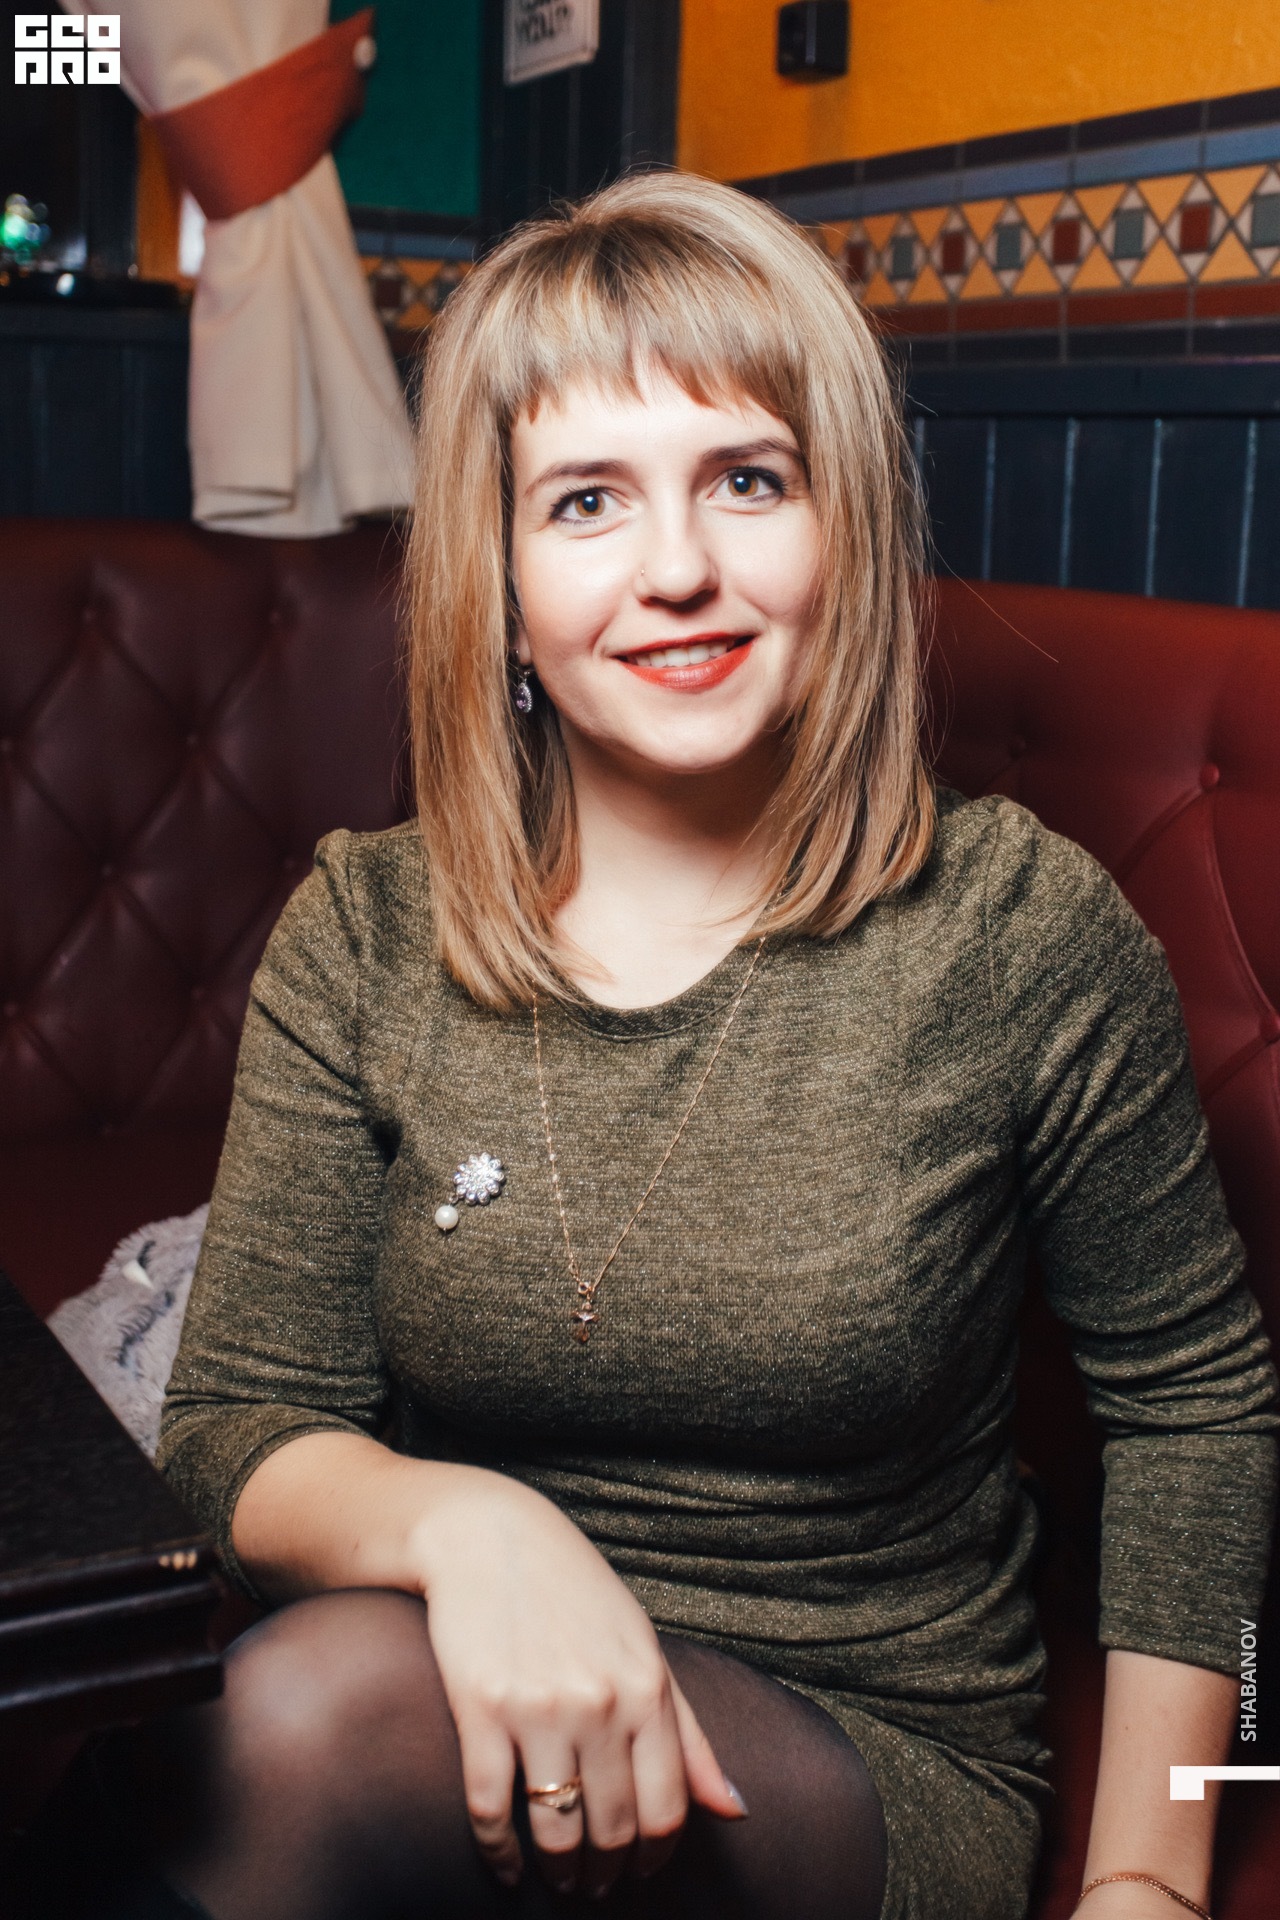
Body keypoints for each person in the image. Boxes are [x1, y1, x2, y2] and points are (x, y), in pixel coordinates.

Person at [128, 173, 1275, 1920]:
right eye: (586, 500)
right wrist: (475, 1531)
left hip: (853, 1746)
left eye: (748, 479)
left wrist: (1158, 1870)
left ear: (843, 529)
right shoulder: (365, 927)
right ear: (501, 586)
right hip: (460, 1670)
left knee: (295, 1727)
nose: (679, 569)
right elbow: (234, 1426)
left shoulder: (1019, 931)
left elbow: (1202, 1417)